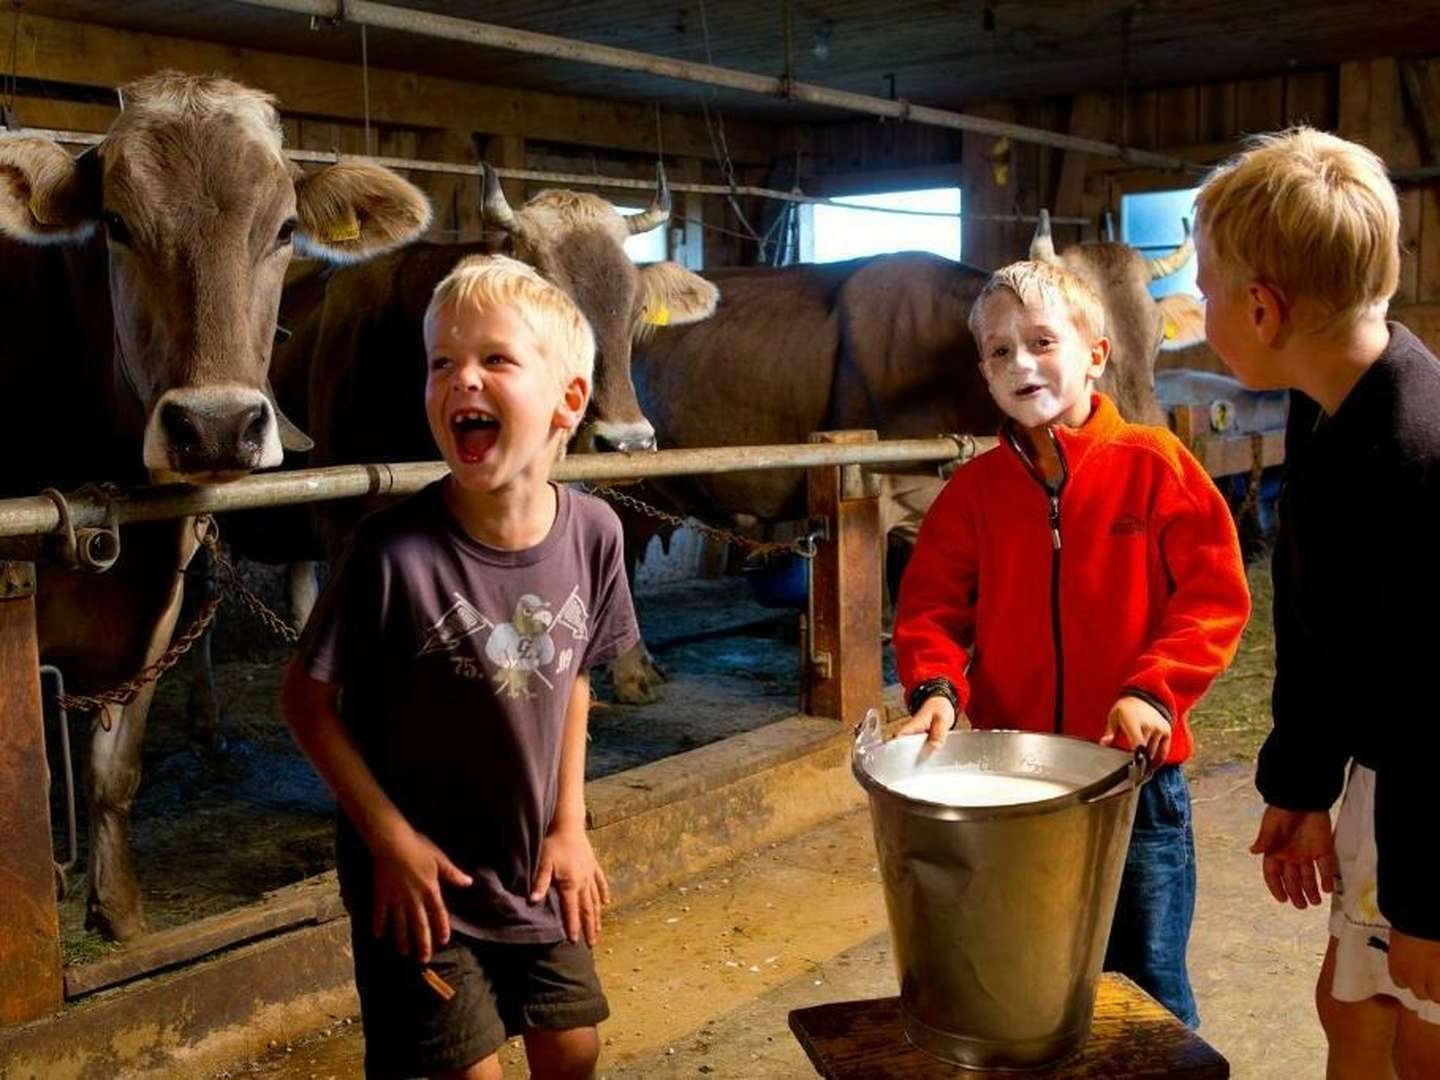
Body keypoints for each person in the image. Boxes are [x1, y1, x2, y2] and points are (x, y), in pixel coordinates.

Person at [282, 254, 638, 1080]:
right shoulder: (389, 551)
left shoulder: (595, 534)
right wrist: (389, 840)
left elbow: (576, 675)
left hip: (533, 867)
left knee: (574, 1049)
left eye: (494, 360)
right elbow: (306, 701)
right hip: (422, 884)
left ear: (568, 402)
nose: (460, 381)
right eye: (442, 363)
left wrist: (570, 825)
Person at [893, 258, 1251, 1026]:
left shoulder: (1156, 468)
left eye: (1042, 341)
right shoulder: (973, 496)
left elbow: (1215, 598)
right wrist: (936, 689)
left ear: (1095, 352)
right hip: (1014, 787)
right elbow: (930, 610)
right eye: (998, 351)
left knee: (1148, 985)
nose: (1020, 363)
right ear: (983, 372)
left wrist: (1154, 687)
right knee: (1029, 975)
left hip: (1134, 782)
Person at [1195, 126, 1440, 1077]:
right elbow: (1313, 623)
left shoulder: (1420, 458)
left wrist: (1426, 906)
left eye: (1206, 292)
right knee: (1356, 1018)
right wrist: (1299, 784)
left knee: (1425, 1037)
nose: (1201, 310)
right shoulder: (1327, 400)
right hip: (1391, 783)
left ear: (1262, 308)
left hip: (1434, 807)